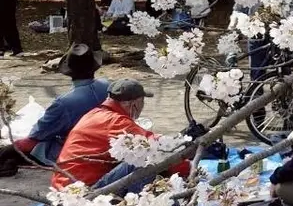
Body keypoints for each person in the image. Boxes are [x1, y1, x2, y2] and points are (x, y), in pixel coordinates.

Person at [51, 80, 191, 191]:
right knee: (141, 159)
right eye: (142, 102)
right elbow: (156, 148)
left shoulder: (94, 114)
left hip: (62, 188)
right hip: (84, 194)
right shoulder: (117, 122)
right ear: (133, 104)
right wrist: (189, 170)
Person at [10, 44, 108, 166]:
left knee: (14, 149)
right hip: (106, 143)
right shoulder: (107, 85)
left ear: (69, 71)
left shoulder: (64, 103)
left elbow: (39, 132)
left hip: (77, 149)